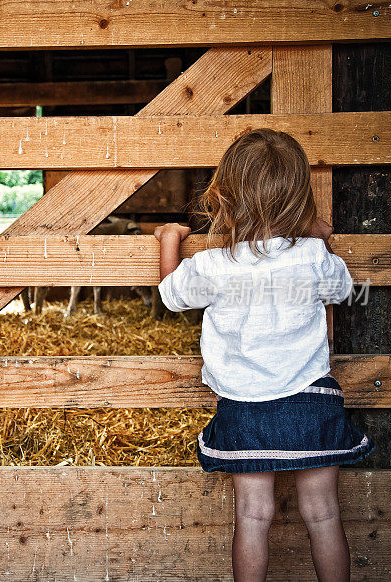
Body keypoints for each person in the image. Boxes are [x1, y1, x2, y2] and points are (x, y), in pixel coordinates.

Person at [154, 128, 374, 582]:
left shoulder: (215, 265)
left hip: (244, 406)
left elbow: (173, 296)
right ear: (300, 199)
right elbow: (344, 288)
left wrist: (168, 239)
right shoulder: (313, 257)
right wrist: (319, 238)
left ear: (226, 198)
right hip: (310, 400)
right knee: (325, 516)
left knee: (253, 518)